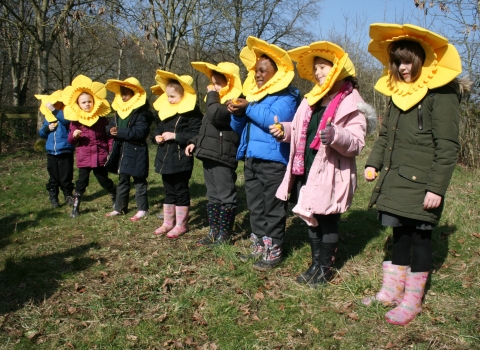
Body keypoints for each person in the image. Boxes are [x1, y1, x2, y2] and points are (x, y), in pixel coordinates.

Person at [362, 23, 465, 326]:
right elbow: (384, 137)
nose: (403, 68)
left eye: (408, 61)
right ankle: (391, 292)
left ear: (421, 59)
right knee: (399, 234)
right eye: (397, 62)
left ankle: (411, 301)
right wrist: (374, 163)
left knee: (420, 238)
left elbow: (447, 147)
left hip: (424, 185)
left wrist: (437, 188)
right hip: (396, 180)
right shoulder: (396, 92)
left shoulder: (442, 94)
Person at [274, 41, 375, 285]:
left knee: (327, 220)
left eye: (323, 67)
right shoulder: (314, 99)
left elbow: (357, 142)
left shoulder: (352, 103)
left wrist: (336, 136)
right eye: (315, 68)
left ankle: (325, 268)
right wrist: (284, 130)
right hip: (307, 168)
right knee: (311, 217)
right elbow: (302, 129)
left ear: (338, 69)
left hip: (331, 171)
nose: (318, 73)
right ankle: (315, 264)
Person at [228, 36, 301, 271]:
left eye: (263, 70)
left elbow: (274, 121)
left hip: (274, 162)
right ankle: (259, 244)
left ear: (277, 73)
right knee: (255, 206)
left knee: (273, 207)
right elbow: (237, 129)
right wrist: (238, 114)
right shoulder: (254, 97)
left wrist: (248, 107)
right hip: (252, 159)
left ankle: (275, 247)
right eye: (256, 71)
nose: (257, 75)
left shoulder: (287, 97)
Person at [187, 61, 242, 245]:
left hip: (223, 155)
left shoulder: (233, 102)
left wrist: (212, 94)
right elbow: (206, 126)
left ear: (231, 83)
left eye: (218, 83)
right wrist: (194, 142)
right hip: (210, 153)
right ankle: (214, 232)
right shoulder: (216, 102)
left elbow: (216, 115)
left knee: (226, 195)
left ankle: (225, 235)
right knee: (212, 195)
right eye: (212, 82)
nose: (213, 86)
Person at [151, 70, 202, 239]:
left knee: (180, 190)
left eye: (172, 96)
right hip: (165, 158)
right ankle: (168, 222)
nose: (169, 100)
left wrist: (176, 136)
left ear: (183, 95)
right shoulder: (166, 110)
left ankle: (181, 225)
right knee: (168, 190)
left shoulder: (192, 112)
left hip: (181, 158)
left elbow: (197, 132)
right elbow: (159, 128)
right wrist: (156, 137)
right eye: (168, 96)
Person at [63, 75, 116, 218]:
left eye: (89, 102)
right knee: (81, 182)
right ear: (78, 104)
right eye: (83, 102)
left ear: (94, 102)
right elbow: (70, 141)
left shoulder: (102, 119)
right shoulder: (75, 121)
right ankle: (76, 206)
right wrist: (74, 136)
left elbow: (108, 137)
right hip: (84, 158)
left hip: (100, 156)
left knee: (104, 180)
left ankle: (114, 195)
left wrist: (110, 150)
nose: (87, 104)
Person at [105, 77, 153, 221]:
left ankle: (142, 209)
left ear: (134, 94)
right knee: (123, 179)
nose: (123, 96)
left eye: (127, 93)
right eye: (122, 93)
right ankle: (119, 208)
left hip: (137, 151)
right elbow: (110, 126)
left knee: (139, 181)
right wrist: (110, 130)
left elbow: (140, 132)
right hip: (121, 151)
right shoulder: (119, 111)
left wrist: (119, 132)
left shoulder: (141, 113)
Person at [36, 90, 75, 208]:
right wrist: (47, 128)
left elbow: (66, 120)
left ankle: (68, 194)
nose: (54, 106)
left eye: (56, 103)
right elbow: (42, 133)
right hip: (51, 151)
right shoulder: (48, 118)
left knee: (66, 175)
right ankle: (53, 195)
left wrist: (55, 110)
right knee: (53, 176)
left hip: (65, 149)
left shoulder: (66, 114)